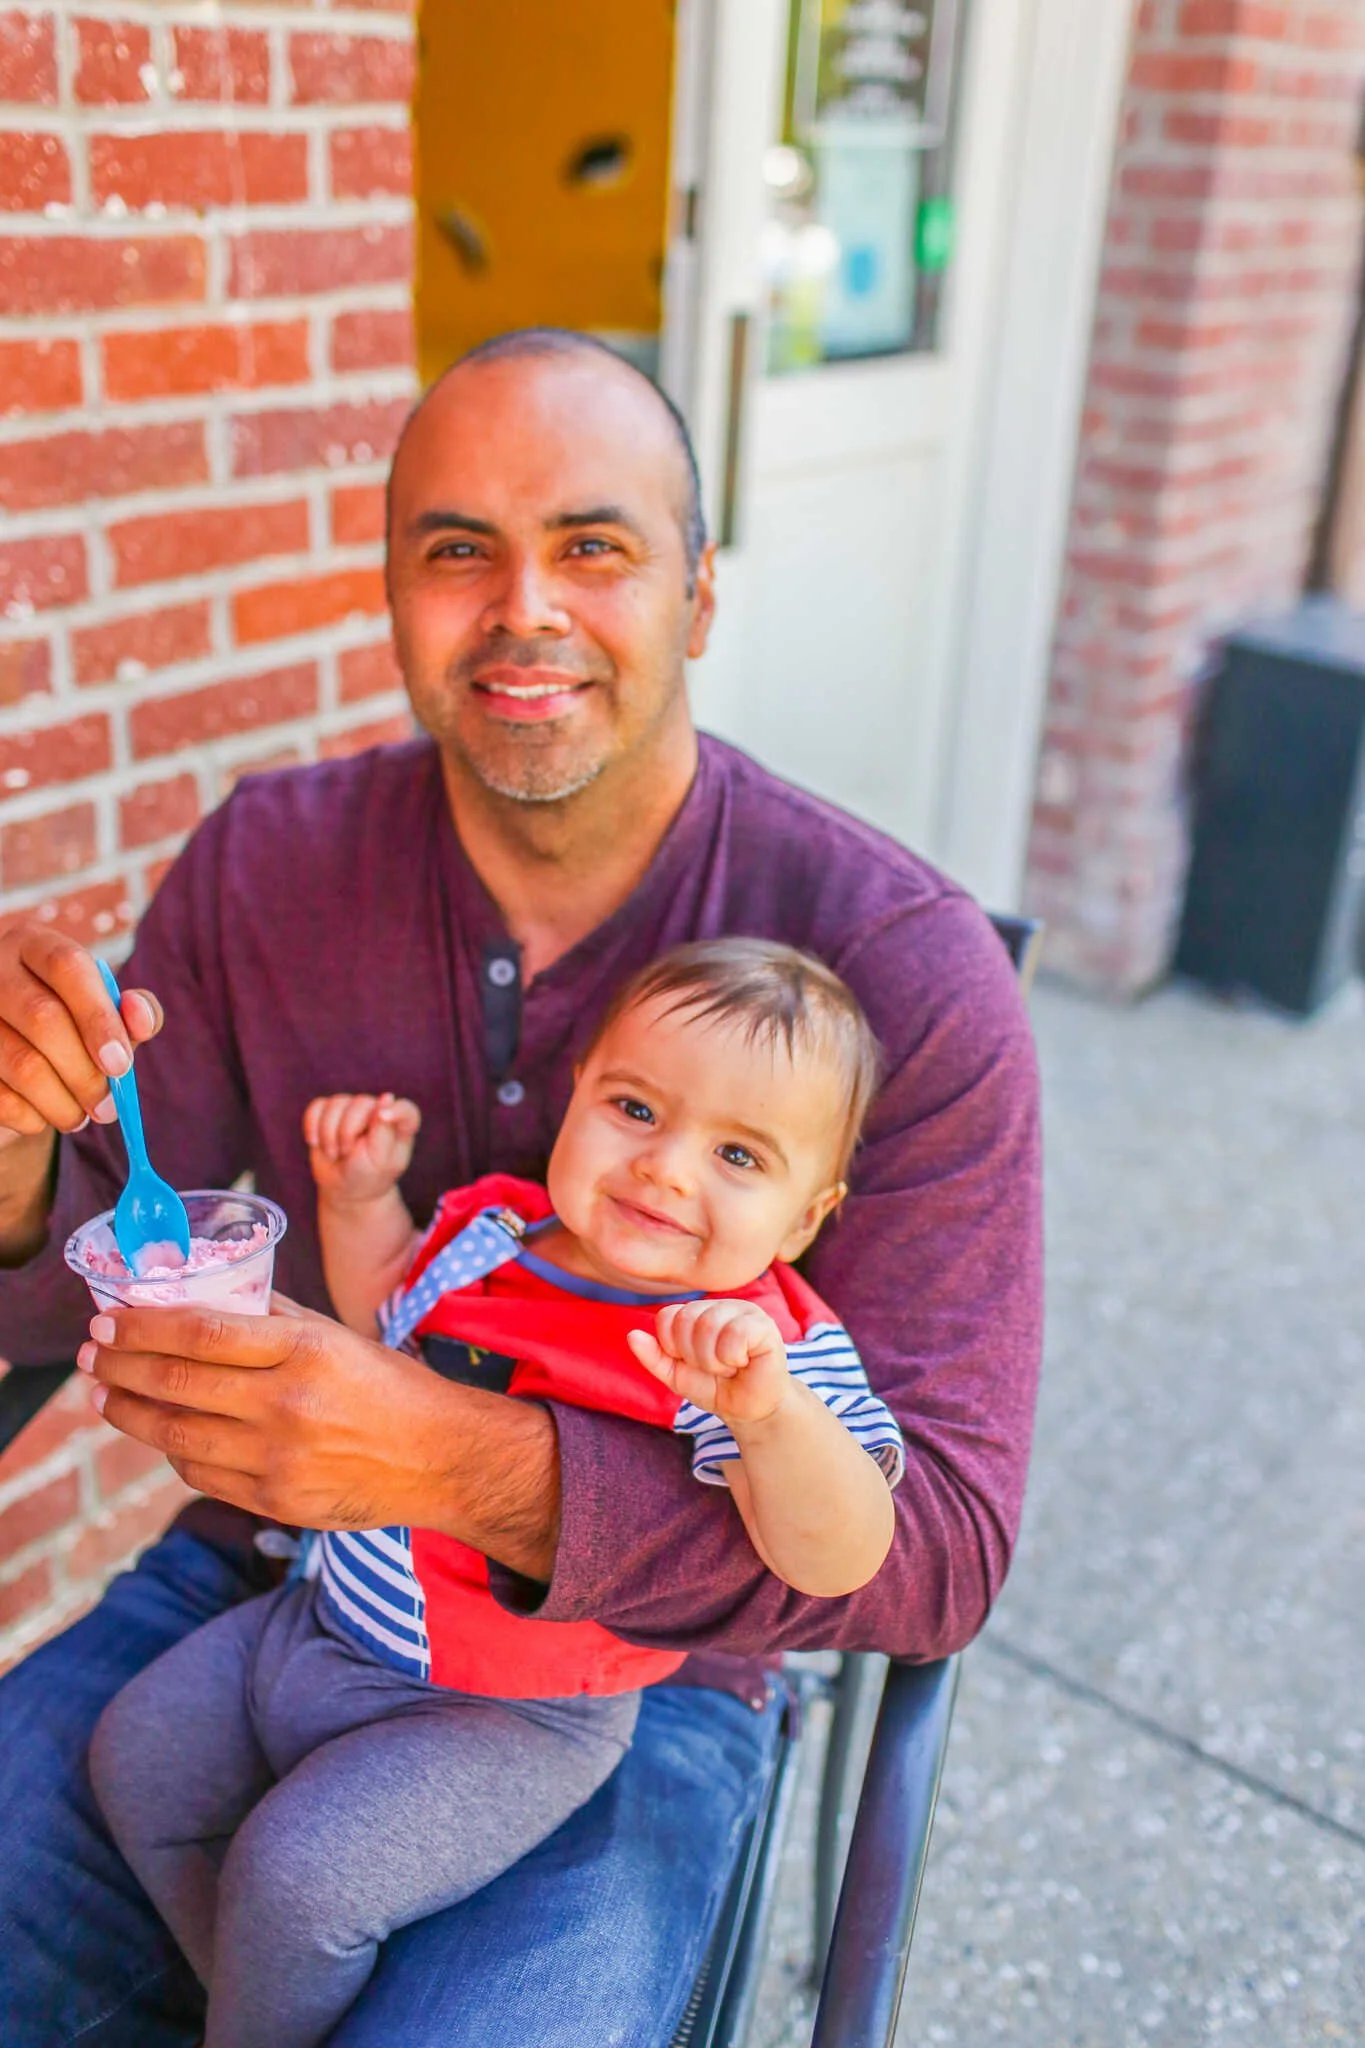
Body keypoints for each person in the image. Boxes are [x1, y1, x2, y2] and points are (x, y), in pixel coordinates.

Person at [0, 327, 1042, 2048]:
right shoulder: (268, 863)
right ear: (396, 594)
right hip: (269, 1576)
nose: (524, 608)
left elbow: (933, 1548)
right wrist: (22, 1137)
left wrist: (460, 1459)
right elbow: (76, 1269)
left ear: (700, 594)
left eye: (595, 544)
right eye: (457, 549)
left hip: (641, 1671)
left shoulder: (904, 974)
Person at [89, 940, 904, 2048]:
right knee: (135, 1755)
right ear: (576, 1099)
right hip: (311, 1626)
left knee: (297, 1880)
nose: (666, 1167)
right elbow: (386, 1307)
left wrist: (769, 1419)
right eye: (635, 1106)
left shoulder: (760, 1344)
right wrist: (361, 1194)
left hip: (510, 1712)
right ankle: (256, 2002)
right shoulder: (492, 1230)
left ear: (809, 1216)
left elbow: (843, 1554)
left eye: (739, 1155)